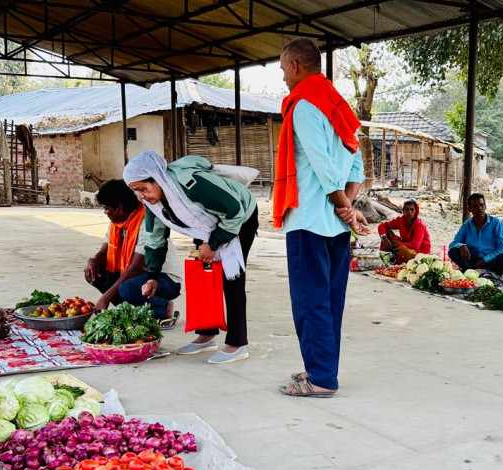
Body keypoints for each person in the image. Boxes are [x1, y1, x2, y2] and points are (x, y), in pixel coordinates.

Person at [274, 37, 369, 398]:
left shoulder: (303, 105)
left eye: (284, 69)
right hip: (335, 225)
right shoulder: (337, 105)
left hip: (309, 219)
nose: (284, 78)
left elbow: (321, 164)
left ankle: (322, 380)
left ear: (295, 65)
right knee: (330, 301)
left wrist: (342, 203)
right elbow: (355, 161)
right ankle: (322, 368)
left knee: (310, 299)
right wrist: (349, 205)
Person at [124, 152, 259, 364]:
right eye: (136, 191)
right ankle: (207, 334)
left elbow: (233, 209)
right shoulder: (153, 204)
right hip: (205, 224)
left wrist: (213, 244)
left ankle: (237, 343)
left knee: (231, 277)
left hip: (240, 217)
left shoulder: (192, 184)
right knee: (203, 275)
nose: (142, 196)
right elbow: (155, 240)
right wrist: (152, 276)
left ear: (158, 178)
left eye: (144, 188)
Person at [86, 179, 179, 325]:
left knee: (127, 288)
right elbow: (103, 253)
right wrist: (93, 261)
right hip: (139, 276)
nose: (105, 212)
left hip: (164, 279)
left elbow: (135, 268)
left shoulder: (145, 221)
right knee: (95, 274)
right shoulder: (116, 223)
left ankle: (162, 307)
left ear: (120, 207)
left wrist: (106, 297)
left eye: (106, 208)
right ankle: (131, 310)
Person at [449, 194, 503, 275]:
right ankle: (475, 272)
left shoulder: (496, 223)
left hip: (490, 261)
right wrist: (461, 246)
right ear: (469, 209)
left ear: (485, 206)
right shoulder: (467, 225)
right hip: (472, 261)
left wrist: (485, 260)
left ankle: (476, 272)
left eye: (482, 205)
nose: (480, 209)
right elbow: (452, 244)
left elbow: (502, 248)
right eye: (475, 206)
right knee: (453, 252)